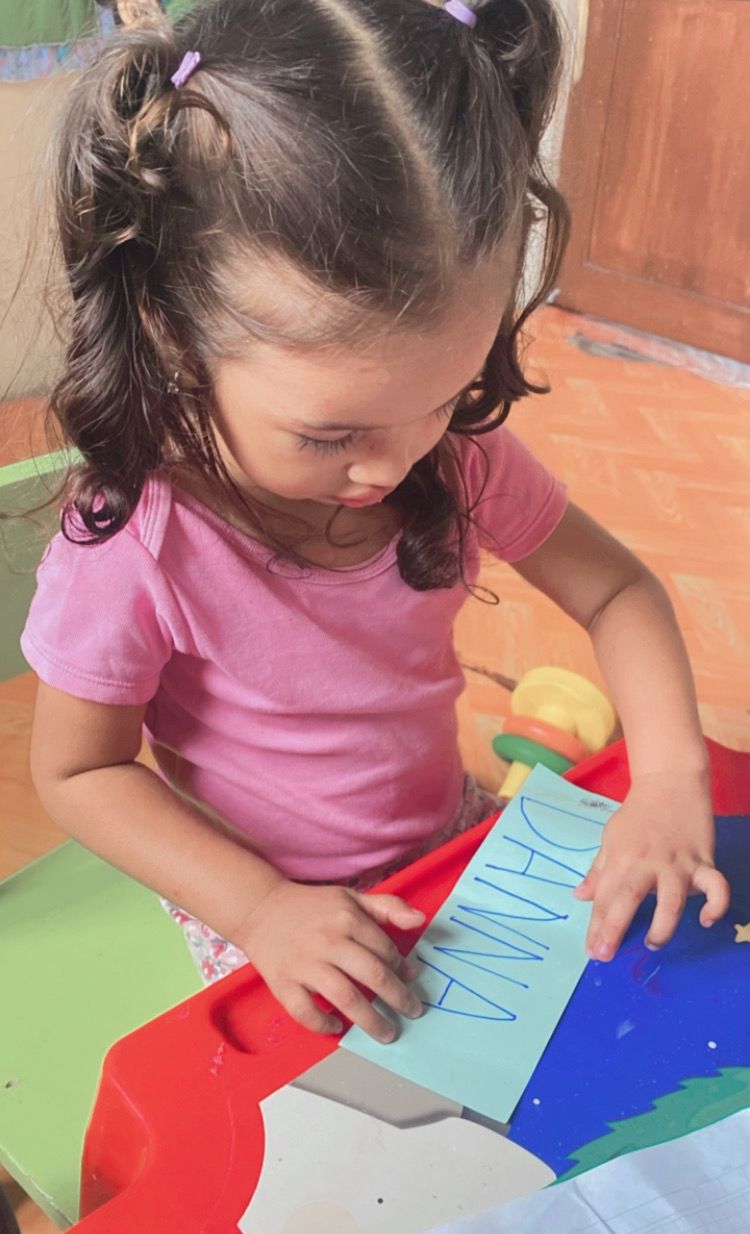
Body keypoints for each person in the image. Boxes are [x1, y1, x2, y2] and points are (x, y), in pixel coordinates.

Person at [21, 0, 728, 1044]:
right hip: (263, 905)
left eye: (444, 395)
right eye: (330, 433)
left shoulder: (447, 452)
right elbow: (79, 772)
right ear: (172, 335)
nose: (394, 465)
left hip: (440, 838)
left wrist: (668, 778)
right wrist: (261, 908)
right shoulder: (138, 543)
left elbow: (618, 589)